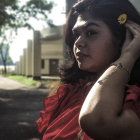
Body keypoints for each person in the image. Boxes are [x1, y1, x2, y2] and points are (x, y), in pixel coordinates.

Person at [36, 0, 140, 139]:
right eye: (76, 34)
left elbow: (96, 120)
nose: (78, 42)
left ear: (124, 37)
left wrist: (129, 55)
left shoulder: (133, 101)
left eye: (91, 32)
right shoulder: (73, 92)